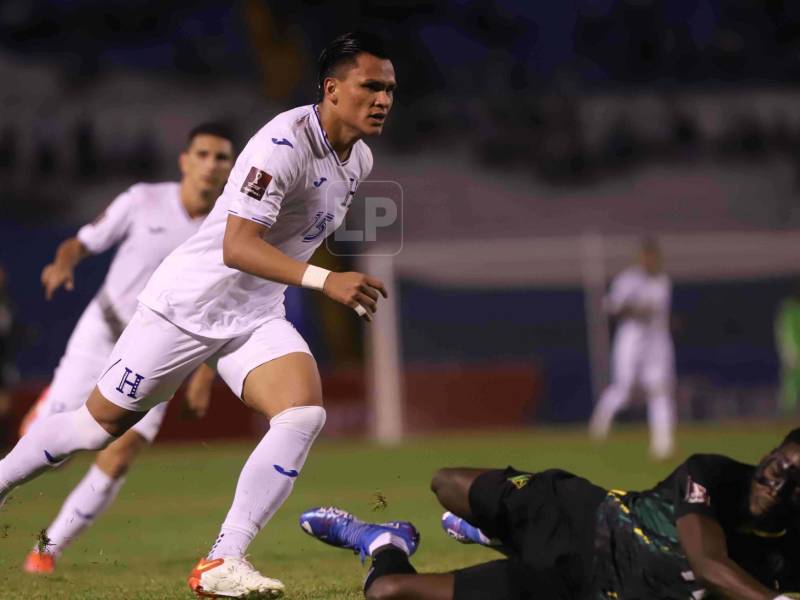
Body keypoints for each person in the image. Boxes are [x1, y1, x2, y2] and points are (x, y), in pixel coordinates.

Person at [0, 31, 395, 599]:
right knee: (95, 428)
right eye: (370, 87)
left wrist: (320, 275)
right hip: (187, 308)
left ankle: (222, 560)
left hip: (255, 313)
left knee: (302, 412)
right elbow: (238, 246)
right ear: (333, 90)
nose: (382, 100)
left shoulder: (359, 158)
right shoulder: (281, 145)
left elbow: (298, 236)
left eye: (389, 89)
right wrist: (325, 279)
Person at [18, 123, 235, 573]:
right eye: (203, 154)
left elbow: (220, 304)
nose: (212, 165)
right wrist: (62, 263)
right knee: (48, 453)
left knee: (120, 452)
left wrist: (205, 373)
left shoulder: (227, 228)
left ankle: (47, 549)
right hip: (101, 332)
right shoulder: (142, 200)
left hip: (160, 350)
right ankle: (46, 413)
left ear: (231, 168)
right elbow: (83, 241)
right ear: (185, 160)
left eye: (222, 157)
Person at [300, 428, 800, 600]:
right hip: (583, 516)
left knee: (388, 592)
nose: (776, 476)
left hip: (570, 587)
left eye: (794, 479)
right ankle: (496, 531)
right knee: (446, 483)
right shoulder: (712, 473)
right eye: (779, 460)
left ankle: (383, 542)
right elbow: (709, 564)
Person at [589, 237, 676, 459]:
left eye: (654, 256)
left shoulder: (662, 280)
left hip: (657, 339)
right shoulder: (628, 279)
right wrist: (627, 307)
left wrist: (635, 307)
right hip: (632, 338)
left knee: (660, 389)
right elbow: (612, 306)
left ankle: (662, 444)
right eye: (647, 256)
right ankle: (600, 423)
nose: (650, 260)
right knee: (624, 388)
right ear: (640, 258)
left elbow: (654, 309)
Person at [775, 282, 800, 415]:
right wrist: (789, 352)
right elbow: (785, 332)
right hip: (794, 355)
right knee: (791, 386)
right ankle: (787, 415)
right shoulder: (789, 308)